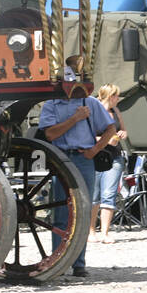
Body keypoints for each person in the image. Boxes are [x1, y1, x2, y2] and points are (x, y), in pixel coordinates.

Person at [39, 56, 117, 278]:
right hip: (61, 158)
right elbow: (50, 133)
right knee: (61, 212)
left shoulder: (89, 102)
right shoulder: (52, 104)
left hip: (83, 159)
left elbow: (110, 129)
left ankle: (78, 262)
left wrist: (94, 150)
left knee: (81, 211)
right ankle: (59, 260)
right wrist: (75, 119)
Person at [90, 83, 130, 243]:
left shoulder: (116, 111)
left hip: (115, 157)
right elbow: (85, 135)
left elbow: (125, 131)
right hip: (96, 156)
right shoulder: (93, 111)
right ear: (109, 96)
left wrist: (121, 134)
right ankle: (91, 231)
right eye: (116, 95)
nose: (118, 99)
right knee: (94, 196)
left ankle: (105, 232)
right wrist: (106, 140)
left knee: (109, 194)